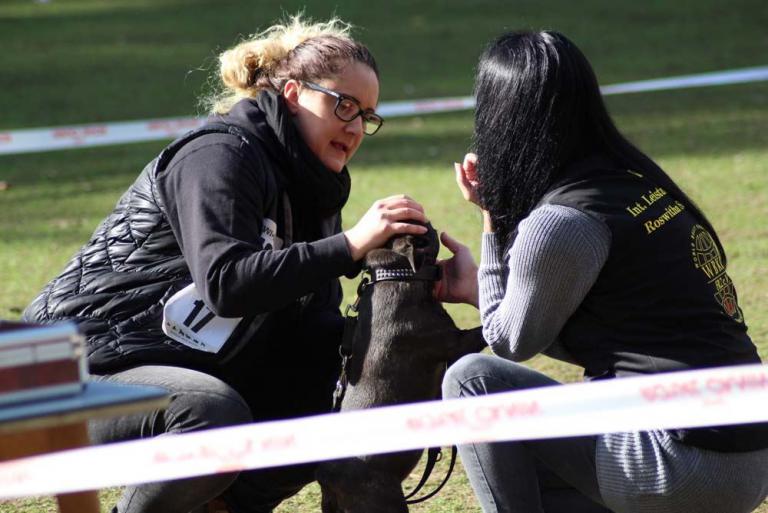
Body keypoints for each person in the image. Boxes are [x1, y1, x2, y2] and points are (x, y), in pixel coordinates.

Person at [23, 15, 427, 513]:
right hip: (67, 368)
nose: (355, 126)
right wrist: (348, 245)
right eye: (344, 105)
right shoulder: (220, 153)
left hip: (174, 365)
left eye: (366, 116)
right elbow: (226, 283)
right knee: (211, 415)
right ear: (294, 94)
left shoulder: (313, 187)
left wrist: (408, 292)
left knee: (330, 379)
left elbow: (311, 325)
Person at [436, 30, 768, 513]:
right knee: (531, 473)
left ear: (501, 119)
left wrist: (490, 218)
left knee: (472, 382)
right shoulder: (640, 186)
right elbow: (607, 330)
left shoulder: (562, 221)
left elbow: (508, 340)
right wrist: (482, 291)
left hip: (682, 462)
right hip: (750, 455)